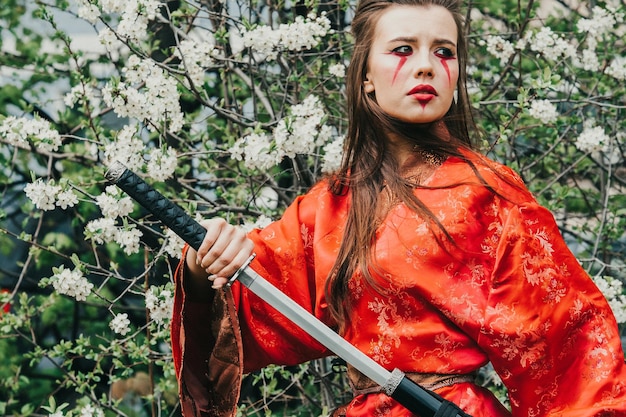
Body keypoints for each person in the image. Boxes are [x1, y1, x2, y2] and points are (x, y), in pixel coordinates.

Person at [170, 0, 626, 416]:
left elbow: (571, 343)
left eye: (444, 52)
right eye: (403, 49)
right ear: (365, 74)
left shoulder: (489, 194)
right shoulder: (331, 205)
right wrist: (203, 261)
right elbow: (249, 304)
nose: (426, 66)